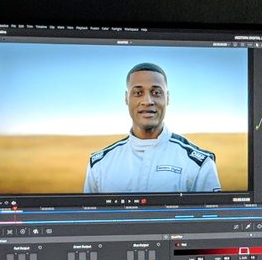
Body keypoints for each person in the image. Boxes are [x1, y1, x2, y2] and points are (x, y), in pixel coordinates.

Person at [83, 62, 221, 193]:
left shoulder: (199, 164)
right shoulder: (99, 164)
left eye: (156, 93)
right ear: (126, 98)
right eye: (138, 93)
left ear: (167, 98)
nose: (147, 101)